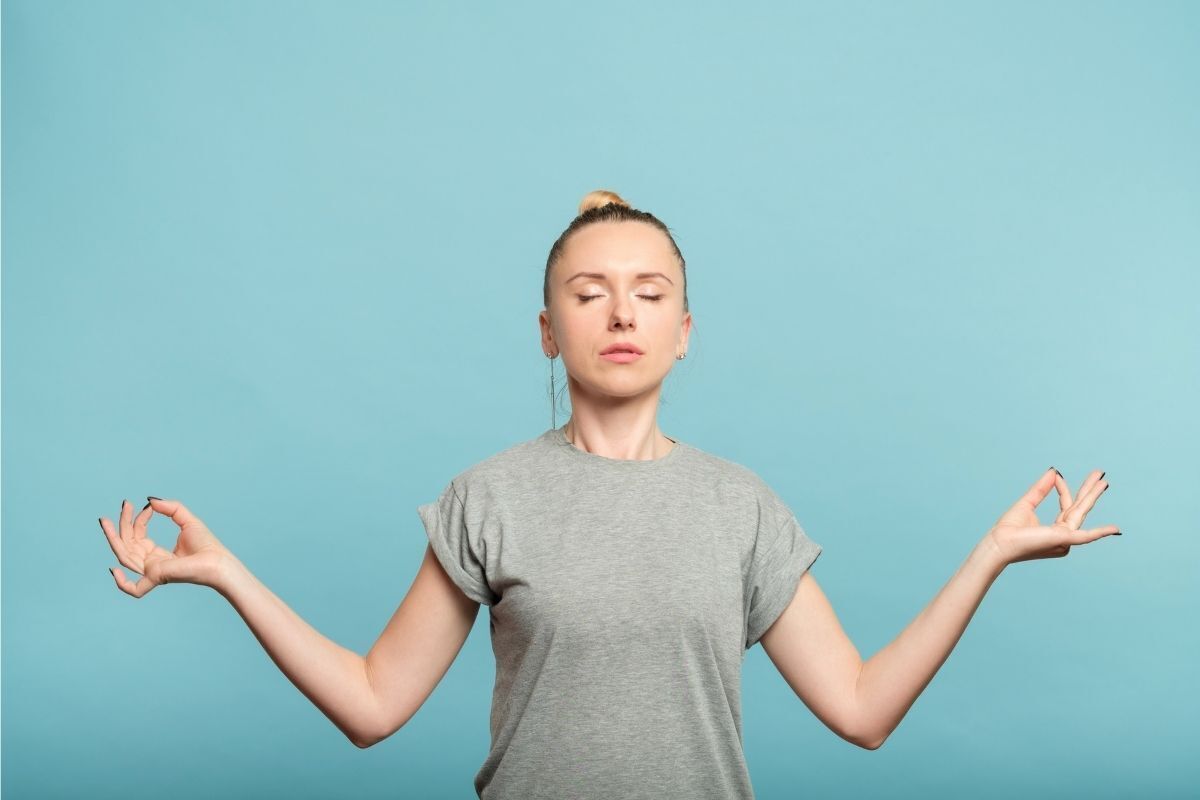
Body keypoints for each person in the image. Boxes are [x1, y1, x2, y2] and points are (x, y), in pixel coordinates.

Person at [99, 189, 1120, 800]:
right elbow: (373, 704)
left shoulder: (741, 506)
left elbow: (861, 709)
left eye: (650, 292)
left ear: (685, 328)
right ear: (548, 328)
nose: (620, 312)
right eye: (588, 293)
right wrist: (228, 574)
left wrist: (987, 557)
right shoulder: (486, 496)